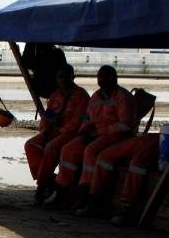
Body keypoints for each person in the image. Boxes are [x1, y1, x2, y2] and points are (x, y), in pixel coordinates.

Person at [50, 65, 136, 209]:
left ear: (114, 78)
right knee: (68, 149)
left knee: (90, 150)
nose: (102, 79)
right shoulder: (96, 96)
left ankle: (86, 190)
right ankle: (62, 189)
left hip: (115, 136)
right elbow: (87, 117)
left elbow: (126, 124)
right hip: (94, 133)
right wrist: (84, 131)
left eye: (106, 76)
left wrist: (100, 132)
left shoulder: (123, 97)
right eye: (100, 76)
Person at [24, 64, 89, 205]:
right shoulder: (55, 95)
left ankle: (41, 187)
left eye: (67, 77)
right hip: (52, 131)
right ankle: (48, 180)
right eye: (60, 77)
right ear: (56, 79)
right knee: (31, 145)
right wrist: (45, 129)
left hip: (71, 133)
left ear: (73, 77)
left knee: (51, 148)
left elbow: (77, 122)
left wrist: (59, 131)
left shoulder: (81, 96)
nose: (64, 80)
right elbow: (47, 116)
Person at [81, 133, 160, 222]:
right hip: (152, 137)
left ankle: (128, 207)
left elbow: (125, 124)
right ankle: (95, 199)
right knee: (104, 156)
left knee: (137, 165)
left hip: (165, 139)